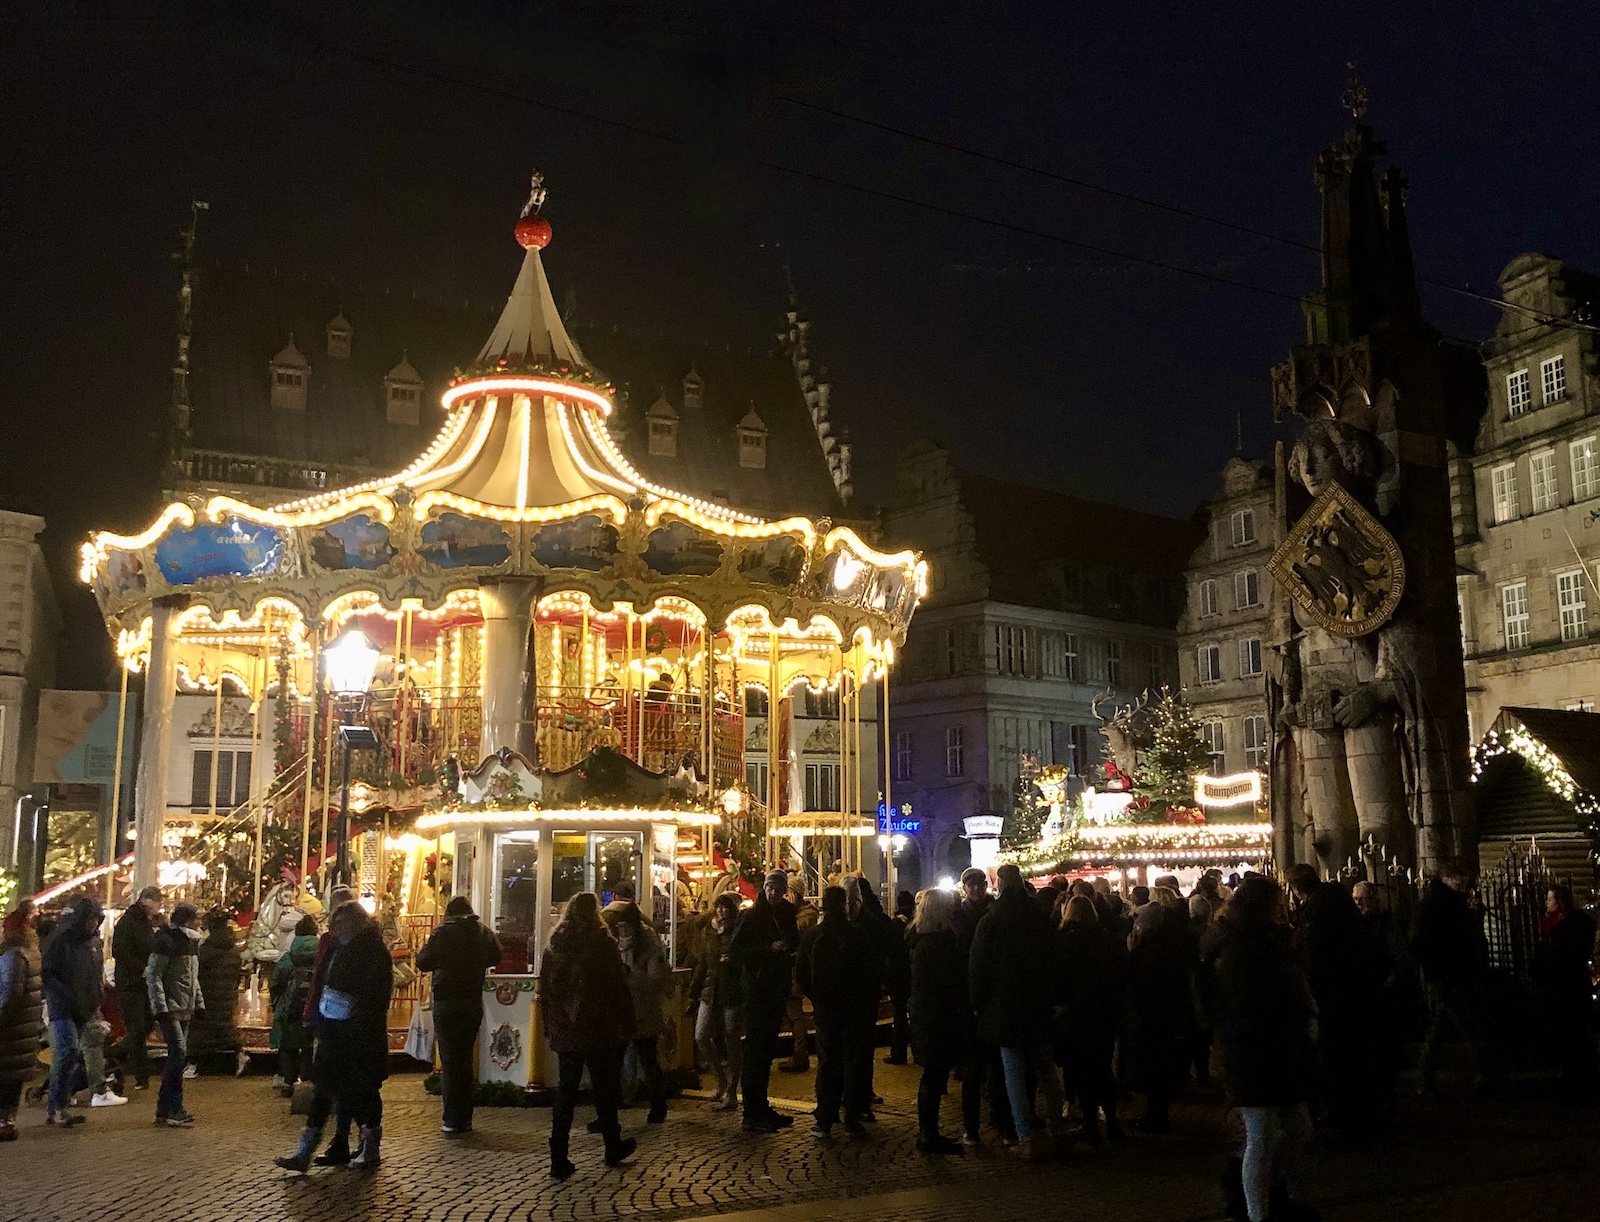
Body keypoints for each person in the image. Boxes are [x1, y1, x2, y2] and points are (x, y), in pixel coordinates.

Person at [1198, 876, 1318, 1222]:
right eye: (1277, 905)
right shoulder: (1239, 948)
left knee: (1296, 1128)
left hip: (1274, 1048)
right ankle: (1257, 1211)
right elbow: (1247, 1003)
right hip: (1252, 1050)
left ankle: (1266, 1191)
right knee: (1262, 1134)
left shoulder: (1263, 942)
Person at [274, 902, 395, 1171]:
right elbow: (323, 981)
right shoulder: (338, 948)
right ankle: (305, 1150)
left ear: (354, 923)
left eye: (340, 923)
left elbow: (376, 994)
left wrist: (354, 1012)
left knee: (362, 1091)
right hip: (333, 1029)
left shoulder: (372, 951)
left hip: (359, 1033)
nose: (335, 928)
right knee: (323, 1090)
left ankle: (369, 1146)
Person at [970, 864, 1067, 1161]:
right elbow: (1055, 957)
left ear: (999, 884)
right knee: (1046, 1069)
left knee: (1013, 1073)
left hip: (1005, 1006)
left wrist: (979, 1003)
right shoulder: (1038, 916)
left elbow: (978, 967)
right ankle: (1058, 1128)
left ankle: (1025, 1134)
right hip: (1036, 1003)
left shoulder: (991, 920)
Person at [538, 892, 637, 1179]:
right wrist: (627, 1022)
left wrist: (551, 1025)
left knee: (565, 1094)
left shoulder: (554, 946)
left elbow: (547, 991)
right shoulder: (601, 943)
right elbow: (617, 988)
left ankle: (558, 1156)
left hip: (566, 1028)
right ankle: (612, 1145)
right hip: (597, 1027)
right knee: (604, 1089)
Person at [1288, 865, 1381, 1141]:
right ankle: (1359, 1115)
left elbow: (1315, 957)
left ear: (1296, 888)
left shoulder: (1316, 913)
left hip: (1332, 996)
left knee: (1335, 1058)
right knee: (1352, 1057)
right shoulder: (1338, 905)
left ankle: (1345, 1119)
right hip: (1352, 993)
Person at [795, 885, 877, 1139]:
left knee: (828, 1062)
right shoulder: (857, 935)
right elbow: (870, 973)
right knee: (852, 1062)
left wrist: (817, 997)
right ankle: (852, 1117)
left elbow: (801, 974)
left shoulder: (813, 936)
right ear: (844, 905)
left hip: (826, 1009)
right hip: (853, 1009)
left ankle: (825, 1119)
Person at [416, 895, 502, 1134]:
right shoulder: (482, 932)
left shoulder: (441, 933)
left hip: (446, 1000)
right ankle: (465, 1116)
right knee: (464, 1058)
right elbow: (497, 955)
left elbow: (423, 961)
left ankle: (452, 1118)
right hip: (472, 999)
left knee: (450, 1059)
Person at [730, 869, 799, 1132]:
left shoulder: (786, 915)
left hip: (775, 988)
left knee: (765, 1052)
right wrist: (767, 950)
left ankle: (761, 1106)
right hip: (758, 989)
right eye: (770, 888)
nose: (773, 893)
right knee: (756, 1052)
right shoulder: (751, 916)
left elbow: (795, 942)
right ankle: (752, 1110)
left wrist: (788, 951)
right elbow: (737, 951)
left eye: (778, 889)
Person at [1411, 864, 1489, 1097]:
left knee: (1440, 1029)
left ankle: (1423, 1079)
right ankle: (1489, 1076)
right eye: (1460, 880)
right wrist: (1438, 969)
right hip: (1449, 975)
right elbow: (1423, 941)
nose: (1464, 886)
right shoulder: (1437, 905)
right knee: (1473, 1027)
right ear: (1448, 879)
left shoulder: (1452, 903)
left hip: (1454, 974)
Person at [1126, 884, 1197, 1133]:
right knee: (1158, 1072)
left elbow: (1143, 987)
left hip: (1154, 1020)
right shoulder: (1165, 947)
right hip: (1162, 1019)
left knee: (1155, 1071)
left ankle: (1157, 1116)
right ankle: (1155, 1113)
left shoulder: (1150, 954)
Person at [1056, 895, 1125, 1143]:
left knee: (1081, 1071)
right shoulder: (1106, 939)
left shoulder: (1065, 942)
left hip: (1076, 1016)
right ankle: (1112, 1120)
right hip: (1103, 1014)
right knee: (1103, 1069)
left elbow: (1059, 980)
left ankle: (1090, 1123)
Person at [601, 885, 670, 1124]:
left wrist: (628, 977)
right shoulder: (637, 937)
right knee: (626, 1061)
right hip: (629, 1008)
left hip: (637, 1007)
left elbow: (655, 976)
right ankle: (614, 1111)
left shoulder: (643, 940)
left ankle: (655, 1105)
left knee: (643, 1059)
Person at [955, 867, 1013, 1145]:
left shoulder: (994, 914)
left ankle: (1001, 1121)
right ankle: (971, 1127)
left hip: (992, 999)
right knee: (974, 1067)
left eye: (979, 883)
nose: (976, 888)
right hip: (972, 1000)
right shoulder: (959, 914)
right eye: (971, 884)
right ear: (965, 887)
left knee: (998, 1066)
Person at [906, 887, 964, 1154]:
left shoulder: (919, 940)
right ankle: (928, 1133)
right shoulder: (939, 943)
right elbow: (949, 982)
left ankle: (928, 1131)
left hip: (925, 1014)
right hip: (937, 1016)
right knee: (933, 1075)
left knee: (932, 1075)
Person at [41, 896, 105, 1128]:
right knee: (68, 1051)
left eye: (96, 919)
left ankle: (60, 1104)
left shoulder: (92, 942)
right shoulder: (61, 940)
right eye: (91, 919)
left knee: (70, 1054)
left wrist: (96, 995)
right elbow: (48, 972)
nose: (94, 924)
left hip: (82, 1006)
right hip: (63, 1006)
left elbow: (93, 972)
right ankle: (57, 1105)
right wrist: (64, 995)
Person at [1353, 880, 1413, 1125]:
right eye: (1356, 900)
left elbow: (1399, 959)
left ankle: (1387, 1100)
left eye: (1363, 899)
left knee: (1384, 1051)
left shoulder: (1386, 924)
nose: (1359, 905)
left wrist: (1387, 985)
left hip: (1383, 995)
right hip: (1365, 995)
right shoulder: (1355, 926)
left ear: (1374, 899)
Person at [146, 902, 204, 1127]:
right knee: (178, 1053)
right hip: (170, 1006)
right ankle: (173, 1107)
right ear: (188, 921)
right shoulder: (166, 942)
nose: (200, 923)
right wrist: (161, 1006)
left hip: (183, 1006)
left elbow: (192, 977)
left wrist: (198, 1002)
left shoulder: (190, 943)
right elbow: (154, 975)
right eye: (197, 918)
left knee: (178, 1055)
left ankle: (165, 1108)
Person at [1539, 884, 1597, 1101]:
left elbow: (1566, 957)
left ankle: (1580, 1085)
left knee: (1574, 1038)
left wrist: (1547, 967)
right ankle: (1578, 1082)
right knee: (1572, 1038)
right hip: (1568, 987)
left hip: (1570, 988)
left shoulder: (1569, 926)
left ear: (1560, 901)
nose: (1547, 903)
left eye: (1550, 899)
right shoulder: (1556, 925)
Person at [689, 893, 744, 1112]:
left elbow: (744, 959)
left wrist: (733, 961)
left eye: (725, 907)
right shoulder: (709, 931)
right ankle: (720, 1079)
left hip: (731, 990)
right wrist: (694, 994)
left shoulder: (739, 930)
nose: (721, 911)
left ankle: (731, 1090)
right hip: (709, 990)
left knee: (732, 1038)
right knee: (701, 1035)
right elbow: (703, 963)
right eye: (718, 907)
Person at [111, 885, 162, 1091]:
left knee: (144, 1025)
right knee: (138, 1026)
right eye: (157, 902)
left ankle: (122, 1060)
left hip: (142, 983)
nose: (159, 907)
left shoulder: (144, 923)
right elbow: (121, 951)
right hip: (131, 983)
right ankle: (138, 1072)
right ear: (147, 901)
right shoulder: (130, 922)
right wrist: (142, 969)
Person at [0, 903, 45, 1140]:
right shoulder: (31, 951)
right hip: (24, 1027)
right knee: (13, 1076)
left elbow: (10, 993)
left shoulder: (12, 955)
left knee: (5, 1073)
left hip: (11, 1028)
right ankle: (8, 1120)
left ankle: (4, 1121)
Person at [188, 911, 244, 1076]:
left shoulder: (207, 949)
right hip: (226, 993)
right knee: (225, 1025)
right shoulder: (232, 948)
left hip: (208, 993)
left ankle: (194, 1063)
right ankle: (239, 1053)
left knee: (199, 1027)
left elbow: (196, 970)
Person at [270, 915, 319, 1096]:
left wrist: (277, 1003)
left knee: (288, 1045)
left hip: (290, 1006)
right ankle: (307, 1083)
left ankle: (288, 1082)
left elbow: (276, 981)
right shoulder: (321, 954)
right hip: (313, 1005)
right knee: (308, 1046)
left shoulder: (289, 957)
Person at [779, 876, 818, 1072]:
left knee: (795, 1013)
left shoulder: (806, 914)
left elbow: (797, 931)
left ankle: (800, 1054)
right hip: (789, 968)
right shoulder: (799, 913)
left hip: (796, 968)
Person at [882, 890, 915, 1066]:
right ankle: (916, 1049)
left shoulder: (896, 924)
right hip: (912, 974)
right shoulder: (917, 921)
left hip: (898, 976)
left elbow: (891, 951)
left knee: (899, 1015)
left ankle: (899, 1052)